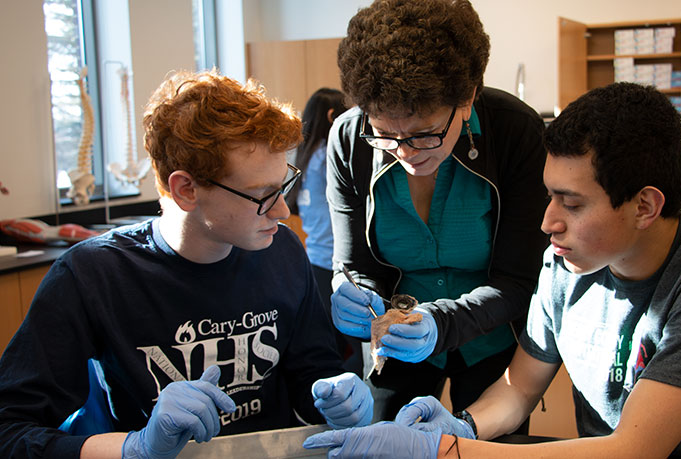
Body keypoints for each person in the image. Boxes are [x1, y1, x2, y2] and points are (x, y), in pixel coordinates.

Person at [304, 82, 681, 458]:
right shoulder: (566, 266)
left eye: (570, 204)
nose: (548, 222)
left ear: (645, 205)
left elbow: (633, 449)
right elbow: (518, 392)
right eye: (549, 196)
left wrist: (445, 450)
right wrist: (461, 424)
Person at [0, 70, 372, 458]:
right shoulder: (93, 275)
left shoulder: (283, 252)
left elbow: (313, 373)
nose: (281, 211)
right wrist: (136, 448)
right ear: (186, 189)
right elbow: (9, 431)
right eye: (261, 195)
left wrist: (339, 397)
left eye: (283, 185)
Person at [326, 0, 547, 425]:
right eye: (385, 134)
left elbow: (520, 280)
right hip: (396, 340)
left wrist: (440, 323)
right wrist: (350, 290)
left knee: (485, 445)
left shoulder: (514, 131)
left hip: (491, 336)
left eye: (424, 134)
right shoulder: (349, 139)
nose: (405, 152)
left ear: (467, 99)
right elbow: (353, 264)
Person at [285, 88, 360, 376]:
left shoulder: (305, 156)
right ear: (333, 116)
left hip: (315, 264)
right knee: (359, 355)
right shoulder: (329, 156)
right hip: (334, 265)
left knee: (333, 347)